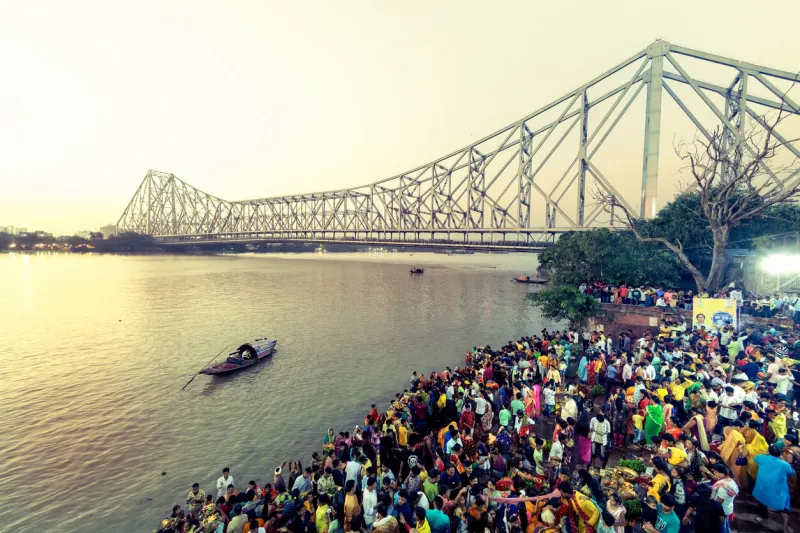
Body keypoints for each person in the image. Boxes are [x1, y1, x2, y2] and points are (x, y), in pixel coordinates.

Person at [753, 445, 796, 533]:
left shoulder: (761, 458)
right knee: (784, 508)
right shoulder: (784, 464)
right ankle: (785, 528)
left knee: (762, 502)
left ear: (769, 452)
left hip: (763, 487)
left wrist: (766, 454)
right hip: (778, 490)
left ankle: (762, 518)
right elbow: (792, 472)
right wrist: (783, 460)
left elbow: (755, 458)